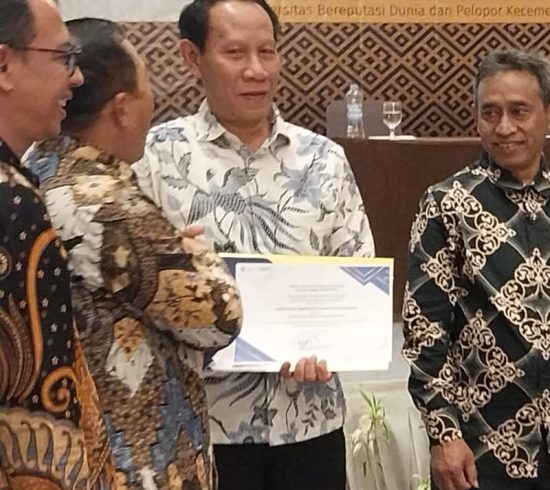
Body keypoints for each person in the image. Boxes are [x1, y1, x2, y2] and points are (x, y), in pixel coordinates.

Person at [133, 0, 375, 488]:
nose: (257, 70)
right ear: (192, 58)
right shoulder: (155, 156)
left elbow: (358, 271)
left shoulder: (323, 159)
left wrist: (328, 343)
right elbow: (136, 289)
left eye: (267, 51)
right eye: (235, 53)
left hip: (310, 422)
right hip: (203, 430)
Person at [403, 49, 550, 490]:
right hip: (481, 448)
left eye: (519, 111)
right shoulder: (445, 205)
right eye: (490, 113)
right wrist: (444, 434)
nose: (504, 127)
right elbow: (425, 332)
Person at [27, 18, 243, 489]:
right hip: (132, 459)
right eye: (148, 85)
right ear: (122, 108)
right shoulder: (103, 202)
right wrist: (199, 254)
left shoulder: (35, 171)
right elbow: (220, 316)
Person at [0, 1, 114, 488]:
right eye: (62, 57)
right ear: (4, 65)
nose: (76, 78)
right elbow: (37, 402)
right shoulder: (13, 204)